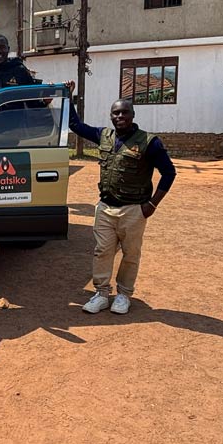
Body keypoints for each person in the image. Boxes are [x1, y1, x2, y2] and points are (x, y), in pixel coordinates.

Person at [65, 82, 176, 314]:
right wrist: (69, 96)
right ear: (111, 116)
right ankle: (102, 293)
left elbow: (169, 173)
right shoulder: (103, 136)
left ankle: (124, 294)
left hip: (134, 210)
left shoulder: (149, 142)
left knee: (130, 254)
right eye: (116, 113)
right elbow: (75, 125)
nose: (120, 116)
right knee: (102, 251)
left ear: (133, 115)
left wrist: (152, 204)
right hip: (105, 208)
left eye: (125, 112)